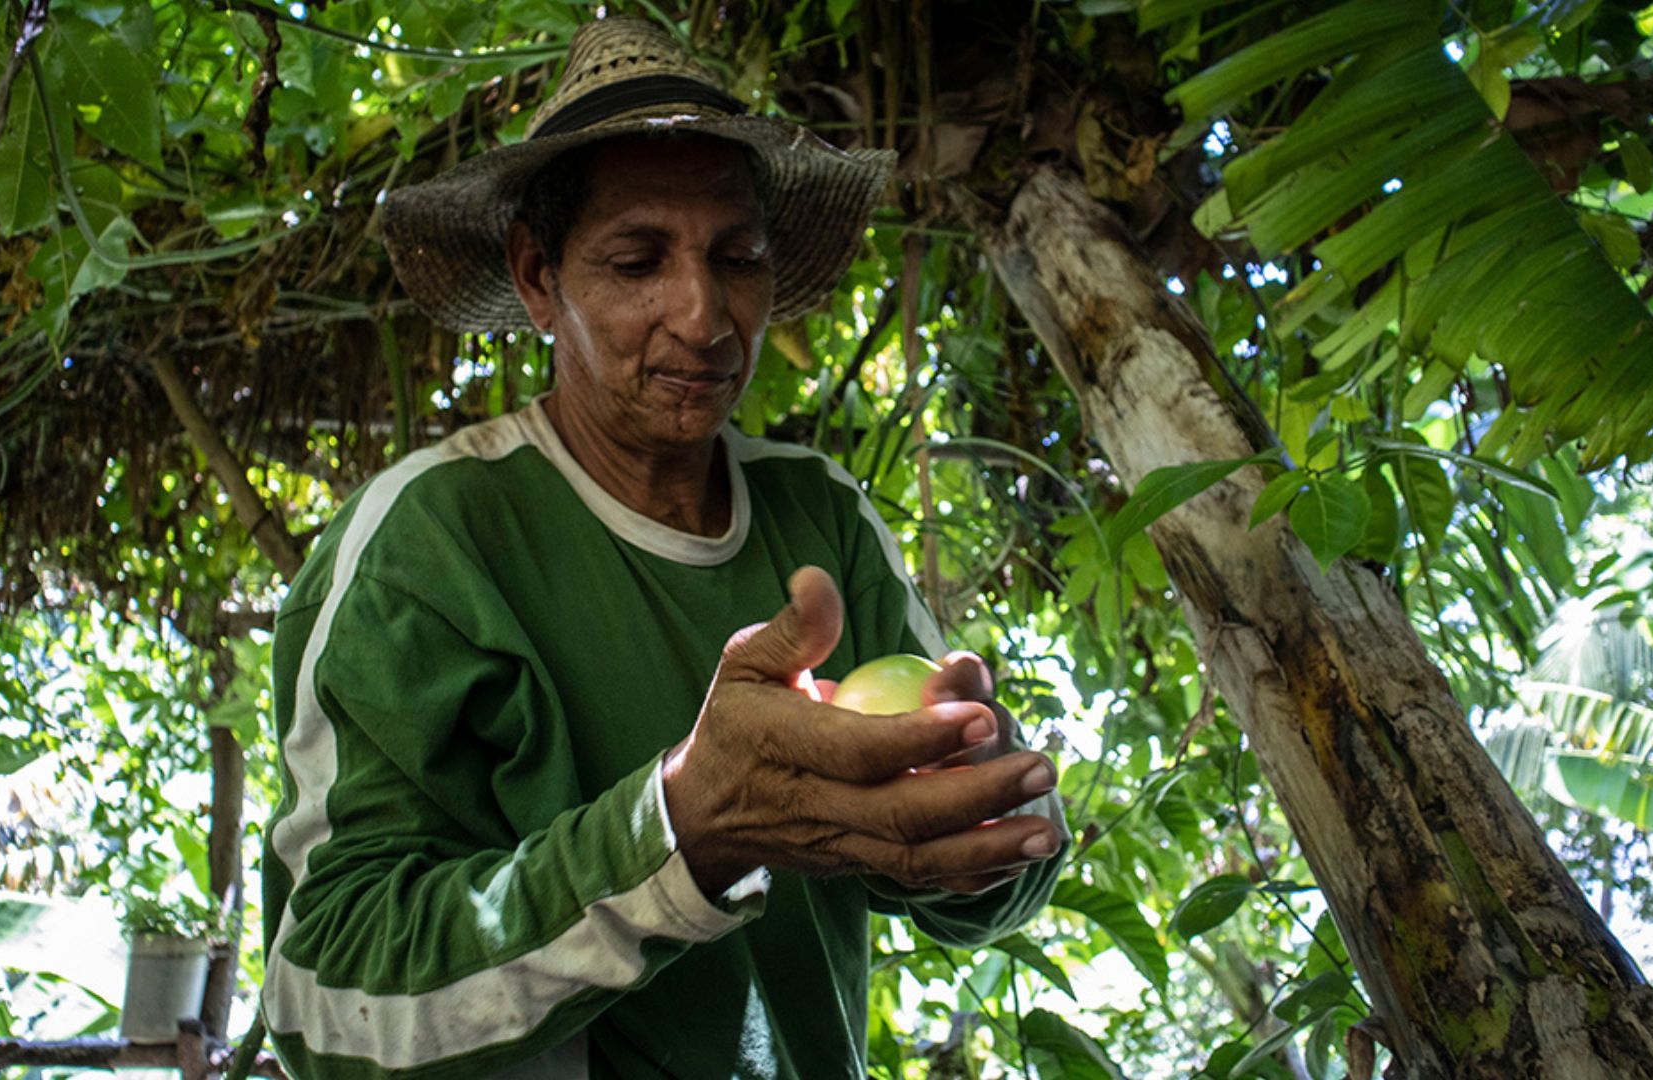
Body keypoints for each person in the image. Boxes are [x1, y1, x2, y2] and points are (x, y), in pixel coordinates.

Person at [260, 16, 1068, 1078]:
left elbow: (984, 889)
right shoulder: (426, 544)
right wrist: (683, 827)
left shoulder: (819, 512)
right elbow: (326, 1005)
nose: (703, 314)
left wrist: (987, 805)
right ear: (539, 278)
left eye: (738, 257)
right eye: (638, 260)